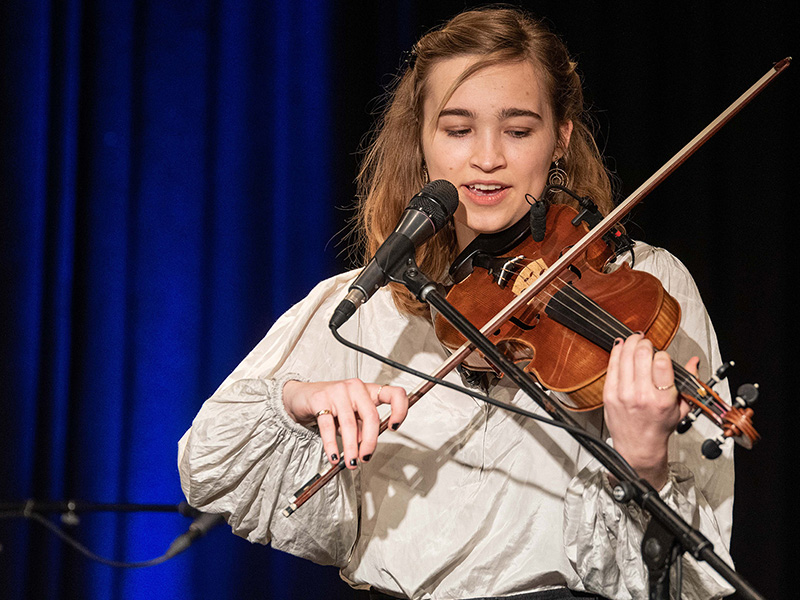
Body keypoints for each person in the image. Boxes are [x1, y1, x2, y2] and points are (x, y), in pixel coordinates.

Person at [178, 7, 735, 600]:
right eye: (457, 129)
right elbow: (207, 468)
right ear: (421, 138)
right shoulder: (365, 303)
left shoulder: (639, 281)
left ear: (561, 138)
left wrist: (644, 460)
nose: (487, 157)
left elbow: (696, 574)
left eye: (518, 130)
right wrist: (300, 399)